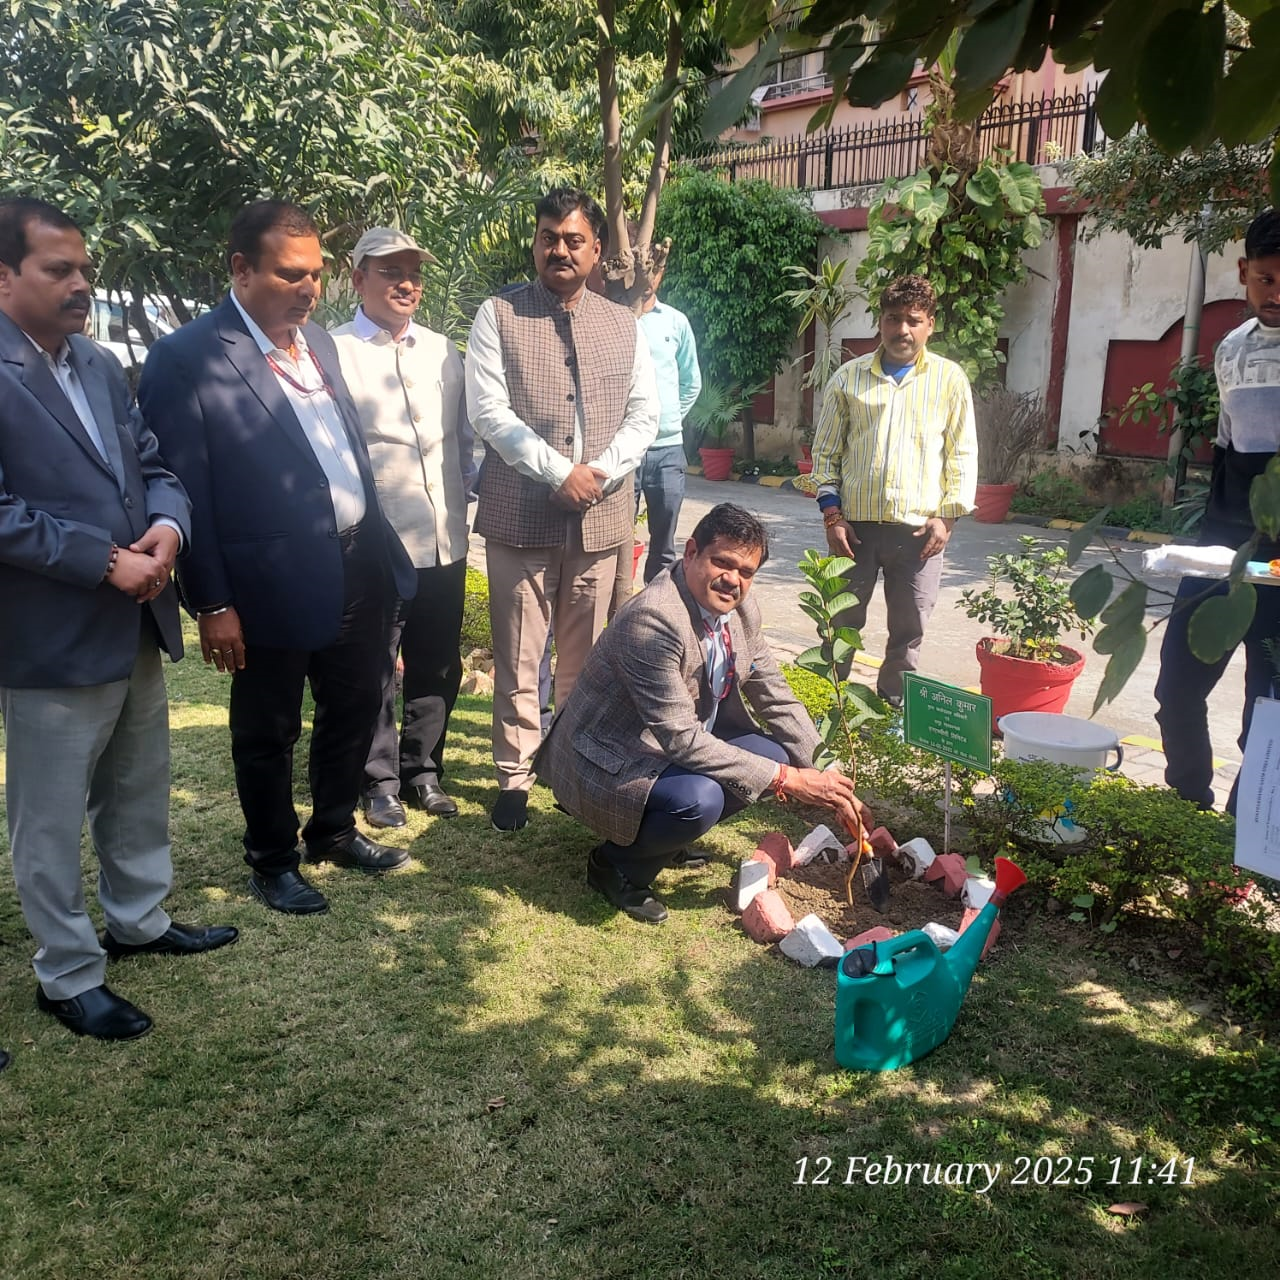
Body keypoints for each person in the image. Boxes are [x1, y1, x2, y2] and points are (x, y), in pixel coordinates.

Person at [0, 197, 236, 1042]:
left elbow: (152, 465)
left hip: (136, 620)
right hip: (51, 637)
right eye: (58, 269)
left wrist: (168, 527)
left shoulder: (98, 364)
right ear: (4, 277)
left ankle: (138, 920)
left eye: (86, 270)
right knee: (50, 816)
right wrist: (104, 560)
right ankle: (67, 973)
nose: (81, 284)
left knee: (137, 785)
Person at [139, 200, 417, 917]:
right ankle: (272, 857)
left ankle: (333, 830)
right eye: (291, 274)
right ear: (241, 269)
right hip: (266, 584)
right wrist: (212, 603)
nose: (309, 289)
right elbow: (186, 490)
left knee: (354, 705)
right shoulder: (188, 358)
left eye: (316, 274)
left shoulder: (317, 342)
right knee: (268, 727)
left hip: (357, 564)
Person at [536, 503, 872, 924]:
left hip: (664, 746)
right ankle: (616, 865)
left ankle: (662, 840)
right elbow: (681, 739)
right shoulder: (654, 620)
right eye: (723, 563)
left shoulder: (741, 610)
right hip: (606, 760)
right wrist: (790, 780)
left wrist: (832, 778)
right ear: (692, 552)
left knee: (776, 755)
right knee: (701, 800)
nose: (733, 580)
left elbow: (777, 698)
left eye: (746, 572)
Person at [464, 187, 659, 833]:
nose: (560, 250)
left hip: (600, 516)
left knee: (584, 658)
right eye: (548, 237)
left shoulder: (623, 323)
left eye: (574, 240)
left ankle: (569, 767)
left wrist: (596, 476)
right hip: (520, 514)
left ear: (596, 250)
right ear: (535, 243)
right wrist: (558, 472)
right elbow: (488, 412)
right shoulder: (498, 314)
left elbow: (644, 416)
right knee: (520, 656)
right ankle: (514, 777)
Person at [330, 227, 476, 828]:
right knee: (375, 665)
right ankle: (379, 780)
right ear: (358, 278)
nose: (406, 283)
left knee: (438, 662)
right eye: (390, 271)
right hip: (375, 544)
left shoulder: (442, 350)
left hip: (444, 536)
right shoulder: (333, 351)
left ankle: (423, 771)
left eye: (413, 272)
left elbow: (462, 440)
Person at [1155, 208, 1280, 814]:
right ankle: (1187, 808)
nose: (1276, 295)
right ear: (1244, 272)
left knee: (1269, 710)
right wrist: (1207, 546)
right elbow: (1229, 453)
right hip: (1223, 547)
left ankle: (1242, 830)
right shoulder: (1231, 350)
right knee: (1176, 685)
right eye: (1266, 280)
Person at [812, 274, 977, 707]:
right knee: (840, 620)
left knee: (909, 627)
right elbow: (825, 454)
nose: (902, 329)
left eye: (913, 320)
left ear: (930, 325)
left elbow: (962, 454)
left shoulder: (949, 379)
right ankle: (825, 702)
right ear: (880, 322)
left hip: (920, 533)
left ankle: (893, 704)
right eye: (892, 318)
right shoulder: (848, 379)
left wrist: (947, 518)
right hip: (854, 530)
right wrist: (833, 516)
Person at [635, 260, 701, 584]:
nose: (648, 277)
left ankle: (655, 608)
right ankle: (615, 609)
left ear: (662, 273)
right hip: (623, 452)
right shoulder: (615, 317)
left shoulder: (676, 321)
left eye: (655, 269)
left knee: (663, 546)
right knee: (613, 539)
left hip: (668, 451)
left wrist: (668, 418)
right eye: (642, 268)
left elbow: (691, 382)